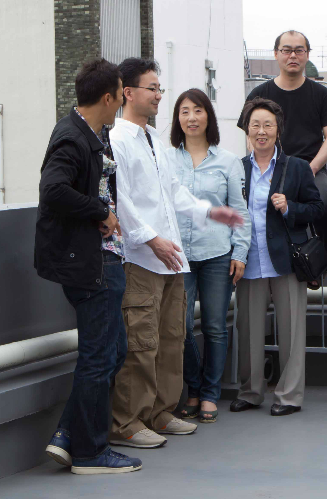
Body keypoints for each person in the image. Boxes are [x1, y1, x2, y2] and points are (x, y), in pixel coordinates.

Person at [109, 58, 242, 448]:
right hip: (141, 259)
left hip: (171, 260)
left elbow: (173, 193)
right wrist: (152, 239)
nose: (158, 96)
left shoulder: (153, 140)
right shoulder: (117, 140)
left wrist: (210, 211)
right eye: (152, 88)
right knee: (140, 343)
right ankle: (127, 422)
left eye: (159, 88)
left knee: (171, 340)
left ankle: (161, 413)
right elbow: (121, 201)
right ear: (128, 93)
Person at [36, 58, 142, 474]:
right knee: (99, 356)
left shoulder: (93, 134)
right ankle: (90, 453)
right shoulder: (71, 137)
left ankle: (68, 434)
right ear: (109, 98)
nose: (122, 102)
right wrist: (99, 211)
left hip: (104, 258)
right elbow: (53, 190)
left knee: (113, 350)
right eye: (120, 95)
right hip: (90, 263)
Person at [229, 97, 324, 416]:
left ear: (278, 130)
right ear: (246, 130)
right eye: (255, 125)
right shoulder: (237, 168)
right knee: (248, 330)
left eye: (268, 125)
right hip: (248, 259)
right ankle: (251, 391)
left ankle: (289, 396)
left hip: (287, 261)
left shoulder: (296, 167)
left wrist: (290, 207)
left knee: (292, 331)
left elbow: (316, 208)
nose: (261, 131)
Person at [168, 88, 251, 424]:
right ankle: (193, 388)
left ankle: (209, 394)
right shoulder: (166, 159)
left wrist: (240, 253)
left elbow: (239, 210)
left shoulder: (228, 161)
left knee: (216, 326)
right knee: (181, 326)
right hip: (177, 256)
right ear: (177, 119)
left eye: (198, 110)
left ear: (208, 116)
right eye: (185, 111)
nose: (192, 118)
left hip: (217, 252)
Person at [238, 30, 327, 285]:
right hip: (268, 166)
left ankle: (318, 267)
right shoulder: (259, 93)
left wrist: (311, 168)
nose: (292, 55)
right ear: (276, 54)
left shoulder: (321, 94)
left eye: (299, 50)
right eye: (286, 50)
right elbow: (249, 135)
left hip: (310, 168)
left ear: (307, 54)